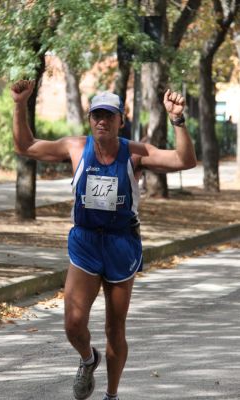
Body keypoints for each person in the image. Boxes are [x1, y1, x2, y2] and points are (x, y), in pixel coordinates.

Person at [11, 80, 197, 400]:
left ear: (120, 121)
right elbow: (25, 146)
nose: (102, 121)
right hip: (84, 241)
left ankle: (112, 395)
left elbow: (184, 161)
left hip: (120, 243)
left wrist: (177, 120)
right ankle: (88, 358)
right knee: (73, 323)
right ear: (89, 118)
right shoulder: (75, 147)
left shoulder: (135, 153)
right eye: (97, 114)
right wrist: (19, 104)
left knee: (115, 329)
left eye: (109, 115)